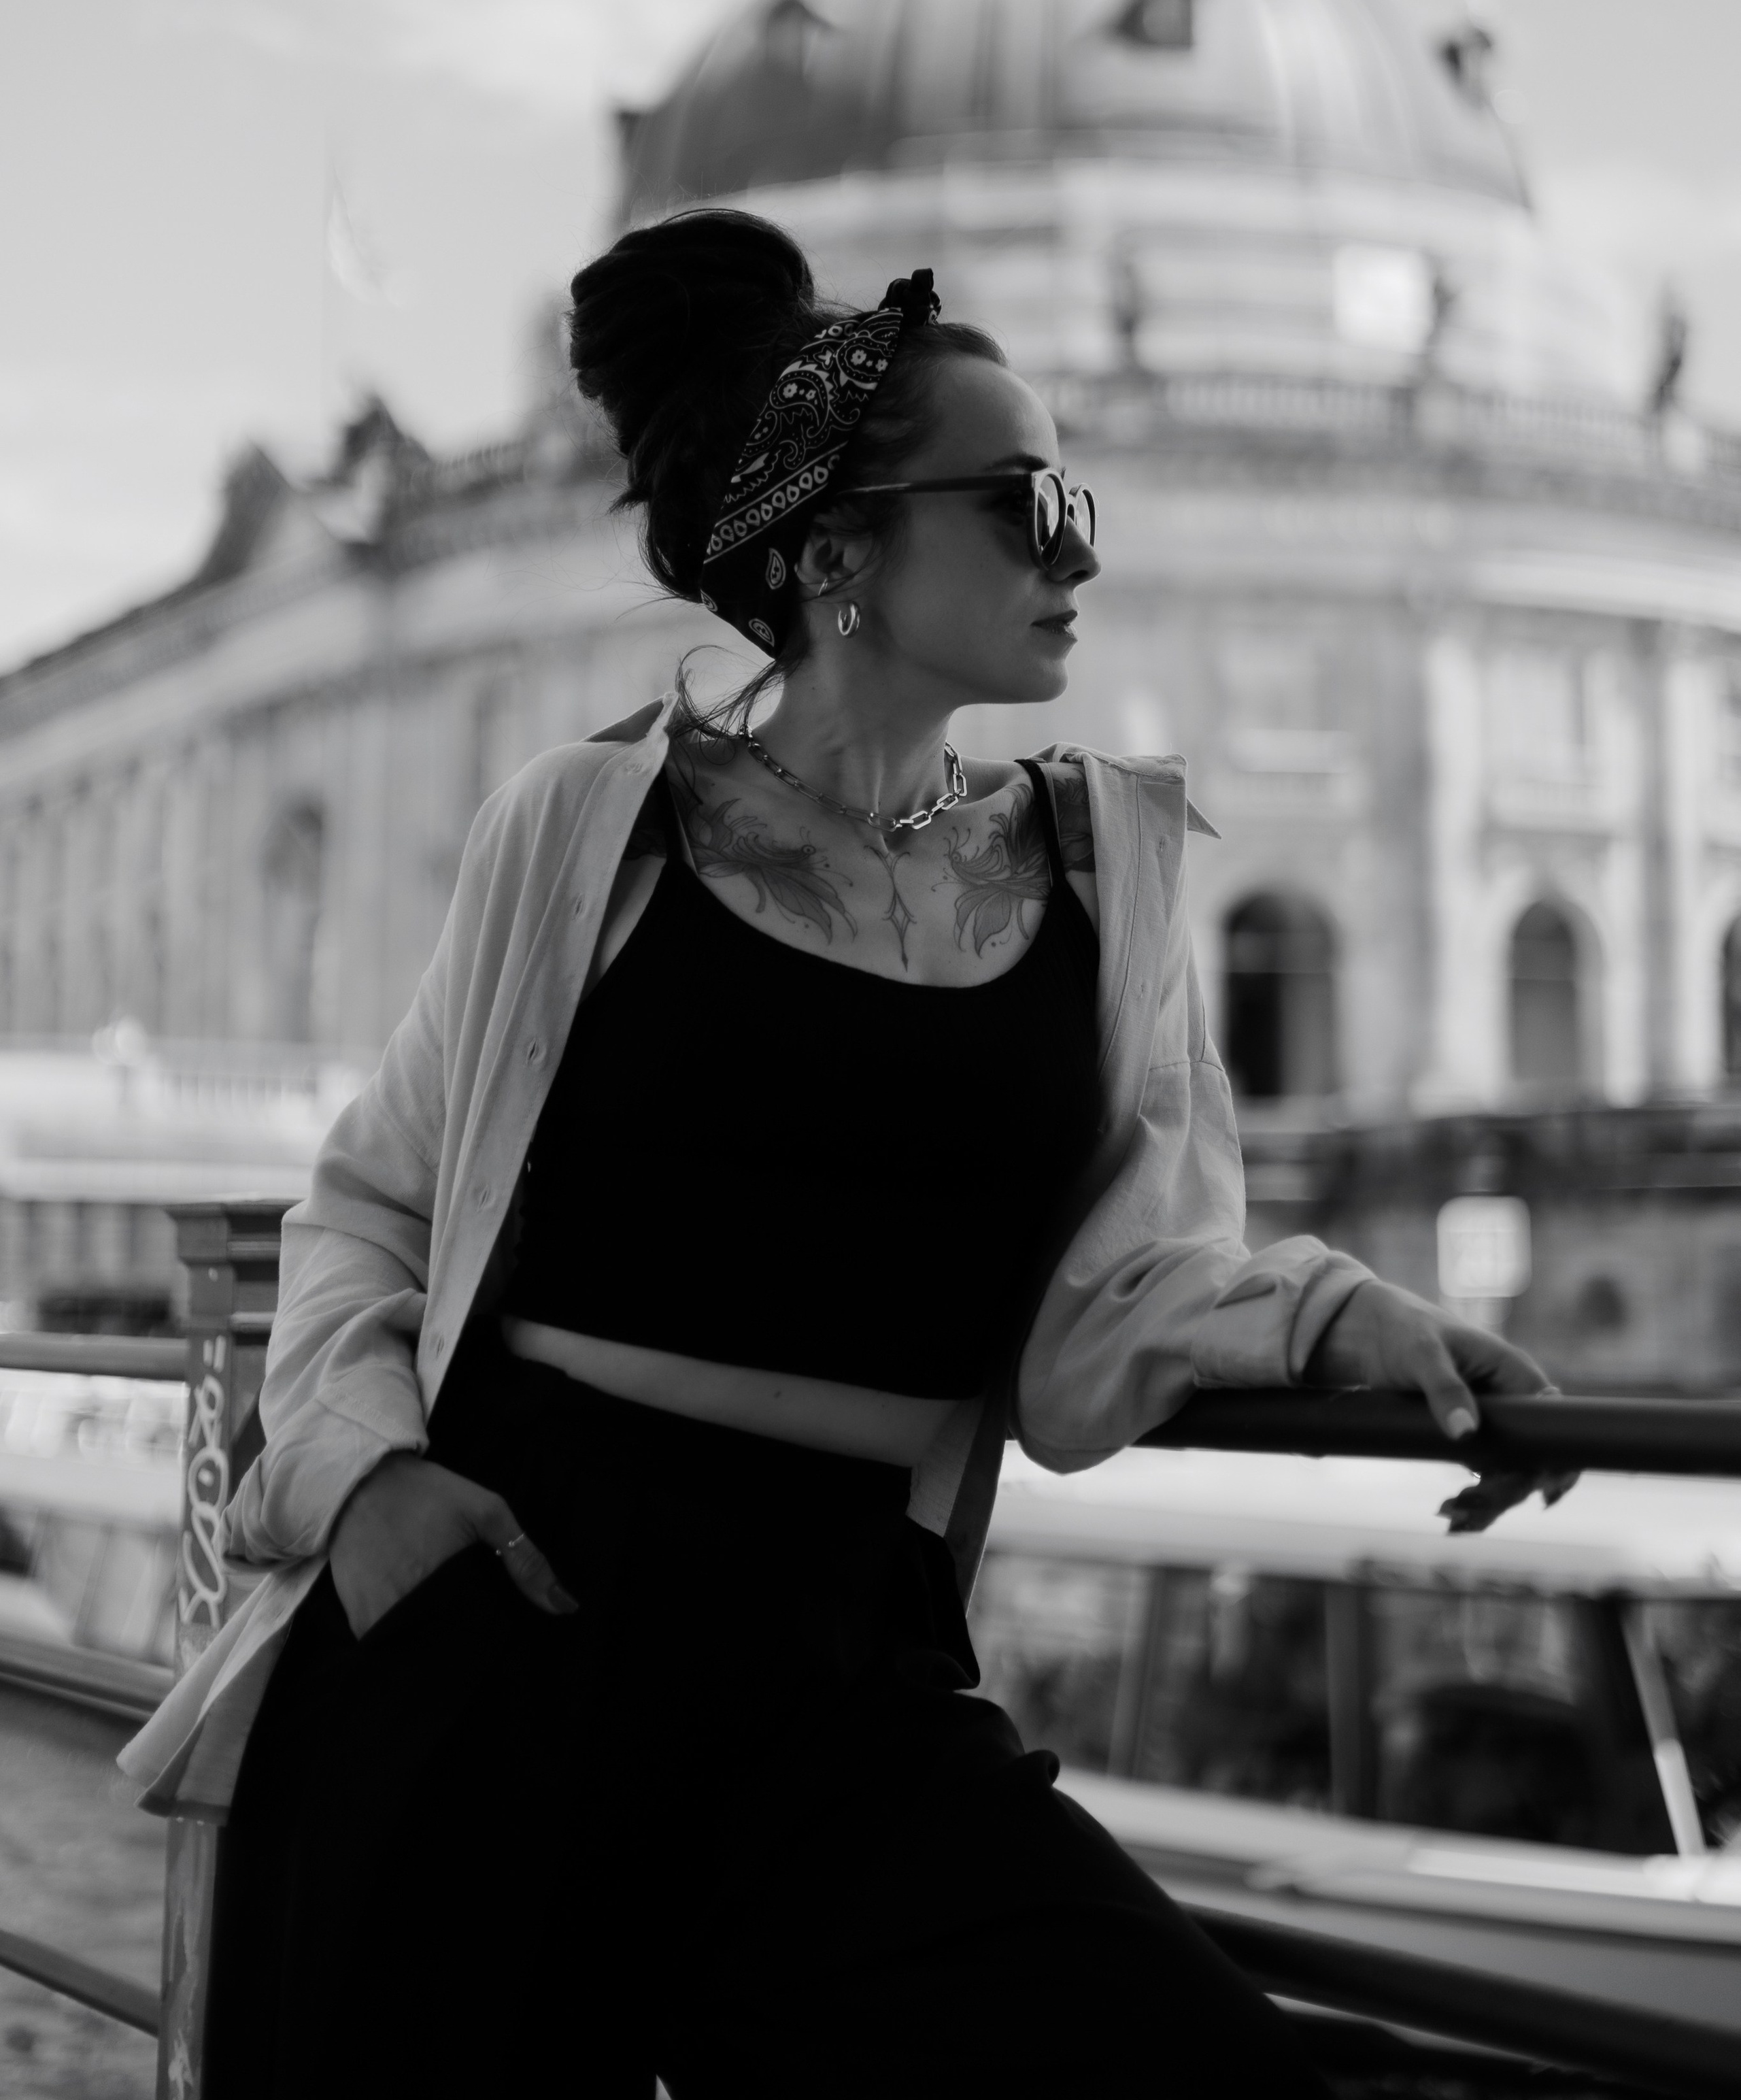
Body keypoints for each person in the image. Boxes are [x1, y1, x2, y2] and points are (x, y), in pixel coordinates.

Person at [124, 209, 1556, 2097]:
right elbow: (374, 1201)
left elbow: (1107, 1307)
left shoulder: (1101, 869)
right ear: (834, 558)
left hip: (848, 1668)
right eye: (1030, 506)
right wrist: (369, 1486)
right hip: (505, 1615)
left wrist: (1345, 1320)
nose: (1086, 553)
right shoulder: (590, 832)